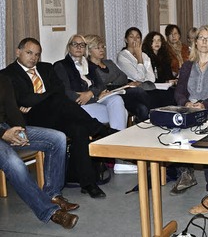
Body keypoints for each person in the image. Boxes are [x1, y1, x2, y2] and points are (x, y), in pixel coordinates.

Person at [1, 38, 116, 199]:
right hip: (33, 118)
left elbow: (59, 90)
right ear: (18, 52)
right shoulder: (7, 74)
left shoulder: (46, 68)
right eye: (29, 53)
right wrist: (48, 97)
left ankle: (88, 183)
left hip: (58, 114)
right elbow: (24, 99)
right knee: (58, 100)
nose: (33, 58)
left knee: (79, 128)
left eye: (37, 54)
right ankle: (100, 130)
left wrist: (41, 98)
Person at [0, 74, 79, 229]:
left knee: (57, 138)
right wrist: (3, 134)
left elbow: (11, 107)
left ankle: (53, 195)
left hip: (6, 127)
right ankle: (50, 212)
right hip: (2, 132)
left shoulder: (3, 78)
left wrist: (20, 130)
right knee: (14, 162)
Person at [174, 25, 208, 210]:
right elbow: (179, 91)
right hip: (190, 109)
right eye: (201, 38)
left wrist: (204, 104)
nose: (204, 41)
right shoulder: (187, 65)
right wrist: (187, 103)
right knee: (172, 133)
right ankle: (185, 172)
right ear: (195, 41)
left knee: (206, 142)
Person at [53, 34, 127, 131]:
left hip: (95, 100)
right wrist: (94, 97)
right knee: (122, 112)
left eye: (82, 45)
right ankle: (117, 141)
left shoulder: (89, 65)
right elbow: (65, 91)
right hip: (77, 106)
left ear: (85, 48)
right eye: (75, 44)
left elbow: (100, 85)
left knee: (116, 99)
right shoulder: (61, 65)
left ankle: (114, 141)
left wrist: (91, 93)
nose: (79, 47)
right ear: (69, 47)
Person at [85, 34, 152, 122]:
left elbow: (123, 77)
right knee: (138, 90)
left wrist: (110, 83)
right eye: (97, 48)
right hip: (108, 95)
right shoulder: (88, 67)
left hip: (121, 91)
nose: (101, 50)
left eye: (102, 47)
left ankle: (147, 125)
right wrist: (113, 80)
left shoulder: (109, 62)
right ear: (89, 51)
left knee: (142, 108)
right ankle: (155, 113)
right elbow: (100, 85)